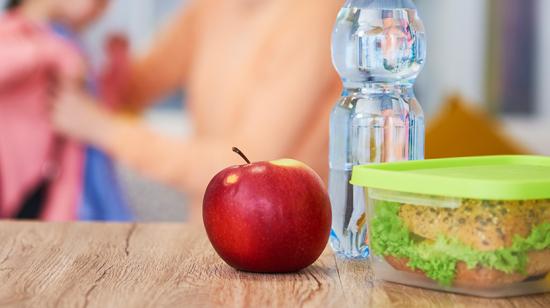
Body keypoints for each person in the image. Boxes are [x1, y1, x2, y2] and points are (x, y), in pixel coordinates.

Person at [52, 0, 343, 222]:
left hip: (288, 239)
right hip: (213, 232)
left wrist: (104, 129)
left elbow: (249, 165)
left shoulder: (316, 17)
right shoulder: (212, 7)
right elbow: (139, 86)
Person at [0, 0, 131, 220]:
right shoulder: (15, 29)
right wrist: (46, 51)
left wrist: (117, 72)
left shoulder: (70, 41)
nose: (105, 8)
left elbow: (93, 110)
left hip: (75, 178)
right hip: (30, 187)